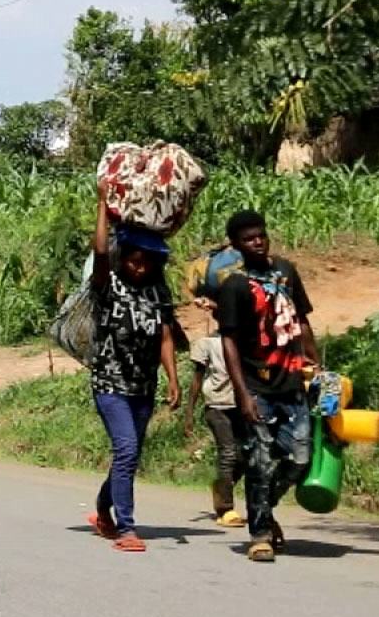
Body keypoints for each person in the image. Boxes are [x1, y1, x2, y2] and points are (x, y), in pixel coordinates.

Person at [210, 209, 316, 562]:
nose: (257, 241)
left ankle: (264, 510)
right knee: (260, 462)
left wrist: (317, 366)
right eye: (248, 238)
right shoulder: (235, 285)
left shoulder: (286, 272)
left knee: (301, 456)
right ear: (236, 246)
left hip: (292, 383)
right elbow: (229, 342)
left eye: (261, 235)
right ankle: (259, 535)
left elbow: (301, 320)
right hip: (257, 386)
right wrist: (241, 393)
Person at [84, 180, 181, 553]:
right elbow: (100, 252)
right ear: (123, 257)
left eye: (146, 261)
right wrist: (102, 206)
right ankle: (126, 528)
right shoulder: (108, 286)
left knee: (131, 454)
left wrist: (172, 378)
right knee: (125, 449)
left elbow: (166, 337)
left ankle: (102, 508)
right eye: (133, 259)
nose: (139, 267)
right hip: (109, 384)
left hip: (144, 386)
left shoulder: (158, 292)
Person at [191, 332, 246, 526]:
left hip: (241, 406)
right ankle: (225, 509)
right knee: (228, 453)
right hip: (217, 405)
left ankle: (222, 489)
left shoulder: (247, 341)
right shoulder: (208, 343)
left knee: (245, 454)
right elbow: (197, 377)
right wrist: (189, 412)